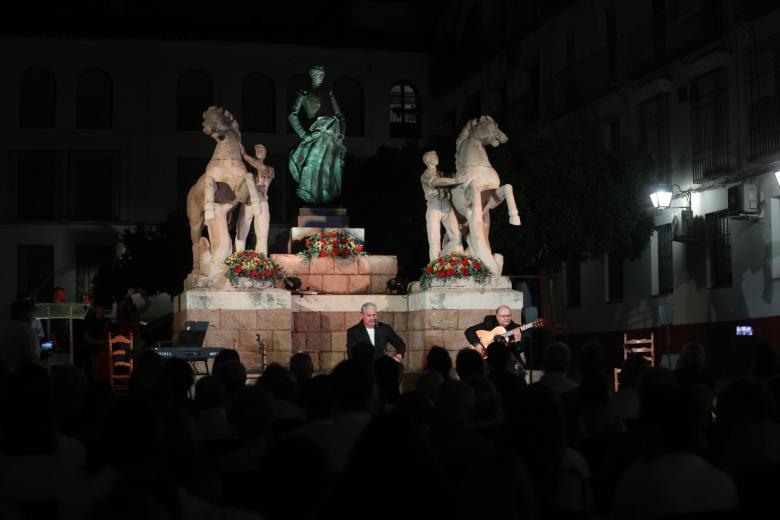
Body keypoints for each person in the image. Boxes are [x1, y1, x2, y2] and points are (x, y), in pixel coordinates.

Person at [287, 65, 346, 204]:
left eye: (322, 75)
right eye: (317, 75)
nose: (320, 78)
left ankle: (327, 200)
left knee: (330, 170)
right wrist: (304, 135)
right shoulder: (304, 93)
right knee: (313, 165)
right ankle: (313, 197)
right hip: (317, 133)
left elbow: (340, 115)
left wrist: (342, 134)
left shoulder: (329, 93)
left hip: (333, 134)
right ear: (311, 76)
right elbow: (292, 115)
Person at [420, 150, 467, 261]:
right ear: (427, 160)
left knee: (457, 237)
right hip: (434, 206)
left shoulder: (442, 173)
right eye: (433, 156)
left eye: (436, 155)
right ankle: (434, 268)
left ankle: (453, 262)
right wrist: (455, 180)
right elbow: (435, 182)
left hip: (446, 204)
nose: (436, 157)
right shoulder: (425, 175)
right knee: (434, 241)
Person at [463, 305, 525, 375]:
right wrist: (477, 344)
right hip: (489, 359)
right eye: (503, 316)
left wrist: (518, 340)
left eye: (509, 315)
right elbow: (469, 331)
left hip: (507, 361)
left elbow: (520, 350)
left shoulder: (516, 328)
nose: (507, 318)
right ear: (497, 316)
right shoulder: (489, 323)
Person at [236, 143, 274, 254]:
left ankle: (261, 263)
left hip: (262, 202)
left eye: (262, 148)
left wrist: (244, 155)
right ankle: (237, 261)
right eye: (256, 148)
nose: (259, 150)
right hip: (247, 202)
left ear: (266, 154)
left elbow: (261, 167)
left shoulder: (270, 170)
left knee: (262, 235)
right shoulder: (246, 171)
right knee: (240, 234)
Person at [0, 299, 41, 371]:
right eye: (32, 314)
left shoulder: (3, 328)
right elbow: (33, 359)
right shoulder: (28, 330)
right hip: (22, 375)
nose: (34, 318)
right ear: (27, 314)